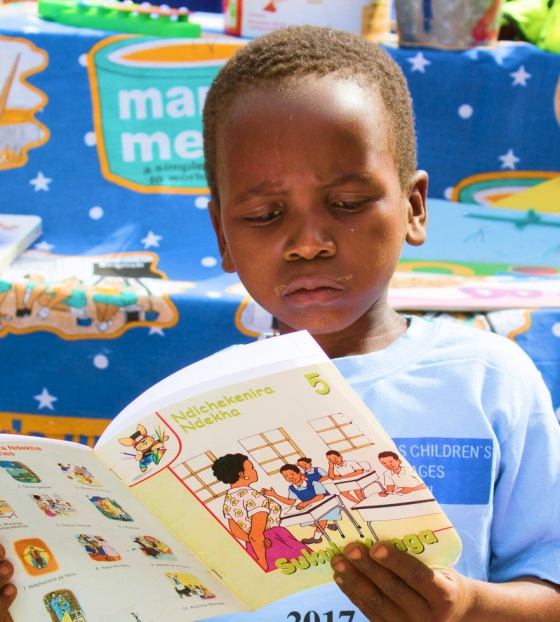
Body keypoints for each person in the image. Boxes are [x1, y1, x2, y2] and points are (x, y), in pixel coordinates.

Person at [2, 23, 560, 621]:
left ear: (413, 208)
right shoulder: (191, 417)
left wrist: (470, 608)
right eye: (265, 214)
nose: (308, 242)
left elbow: (549, 583)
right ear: (222, 235)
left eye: (346, 204)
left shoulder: (485, 378)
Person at [211, 453, 311, 571]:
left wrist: (252, 542)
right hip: (274, 541)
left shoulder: (229, 498)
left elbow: (235, 529)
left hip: (254, 545)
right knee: (305, 566)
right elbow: (256, 533)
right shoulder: (253, 496)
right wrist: (261, 560)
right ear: (242, 474)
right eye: (252, 468)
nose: (254, 471)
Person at [262, 463, 340, 545]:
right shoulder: (292, 488)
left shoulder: (313, 483)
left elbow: (320, 496)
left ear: (299, 473)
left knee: (321, 518)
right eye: (286, 476)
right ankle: (327, 526)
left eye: (292, 474)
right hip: (311, 509)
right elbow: (290, 502)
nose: (290, 477)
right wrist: (274, 495)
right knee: (305, 520)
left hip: (328, 505)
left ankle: (316, 538)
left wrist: (306, 502)